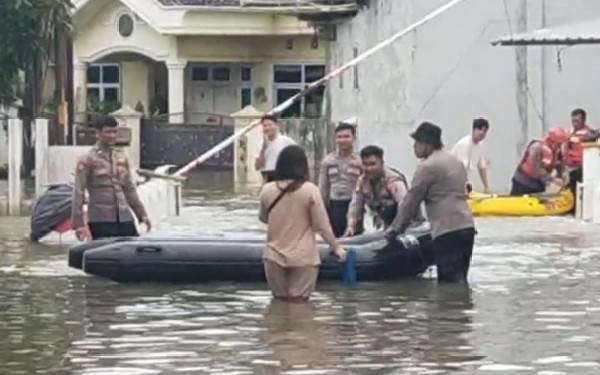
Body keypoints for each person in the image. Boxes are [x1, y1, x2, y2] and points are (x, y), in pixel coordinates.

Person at [385, 122, 476, 284]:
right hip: (467, 227)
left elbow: (410, 202)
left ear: (426, 144)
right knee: (460, 279)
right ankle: (463, 307)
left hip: (447, 231)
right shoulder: (455, 162)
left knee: (448, 283)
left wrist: (395, 230)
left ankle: (448, 309)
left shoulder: (427, 166)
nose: (414, 147)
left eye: (417, 143)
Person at [259, 144, 346, 301]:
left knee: (279, 304)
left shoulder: (267, 190)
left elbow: (264, 218)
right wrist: (337, 248)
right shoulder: (310, 190)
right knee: (300, 307)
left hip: (273, 257)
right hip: (303, 257)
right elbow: (322, 226)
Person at [71, 115, 152, 241]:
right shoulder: (87, 159)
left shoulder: (121, 157)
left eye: (115, 131)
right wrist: (78, 224)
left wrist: (142, 215)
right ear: (98, 133)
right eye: (108, 132)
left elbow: (129, 189)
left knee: (132, 251)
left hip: (124, 217)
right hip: (101, 219)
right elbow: (78, 192)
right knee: (106, 256)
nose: (112, 135)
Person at [344, 145, 418, 237]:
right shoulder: (362, 181)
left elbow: (405, 206)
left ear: (382, 163)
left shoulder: (393, 180)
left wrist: (396, 228)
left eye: (372, 164)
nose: (369, 168)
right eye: (365, 164)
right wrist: (351, 226)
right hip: (384, 225)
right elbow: (355, 206)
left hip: (409, 227)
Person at [318, 120, 363, 237]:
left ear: (354, 137)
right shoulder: (328, 161)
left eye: (346, 136)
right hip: (334, 205)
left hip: (354, 204)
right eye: (339, 137)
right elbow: (323, 187)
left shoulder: (360, 161)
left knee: (354, 237)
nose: (343, 140)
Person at [510, 126, 569, 196]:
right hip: (523, 183)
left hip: (538, 184)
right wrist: (552, 179)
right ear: (552, 140)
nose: (560, 147)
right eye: (559, 144)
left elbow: (560, 165)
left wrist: (562, 175)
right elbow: (536, 168)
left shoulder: (556, 152)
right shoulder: (536, 147)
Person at [564, 108, 600, 201]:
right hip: (570, 168)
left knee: (579, 191)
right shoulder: (570, 132)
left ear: (583, 120)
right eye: (573, 121)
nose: (574, 123)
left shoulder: (589, 134)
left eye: (577, 121)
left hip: (581, 168)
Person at [451, 118, 491, 193]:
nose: (482, 133)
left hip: (464, 181)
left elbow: (482, 167)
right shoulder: (464, 144)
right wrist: (464, 188)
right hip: (452, 181)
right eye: (479, 129)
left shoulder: (480, 145)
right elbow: (462, 168)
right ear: (473, 130)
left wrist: (486, 187)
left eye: (484, 131)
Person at [254, 114, 296, 183]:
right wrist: (263, 149)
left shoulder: (286, 141)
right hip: (268, 176)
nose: (267, 128)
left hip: (283, 175)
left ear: (276, 126)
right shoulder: (260, 144)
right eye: (265, 126)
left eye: (270, 125)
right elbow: (257, 167)